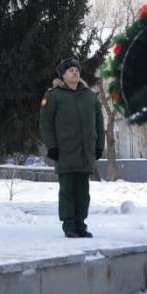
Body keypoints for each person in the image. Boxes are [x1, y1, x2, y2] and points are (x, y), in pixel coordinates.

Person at [40, 57, 103, 238]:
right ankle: (69, 225)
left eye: (76, 69)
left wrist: (99, 147)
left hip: (86, 152)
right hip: (65, 151)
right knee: (67, 190)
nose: (75, 72)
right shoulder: (52, 96)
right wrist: (52, 147)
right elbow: (46, 123)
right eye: (70, 70)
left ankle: (80, 224)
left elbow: (99, 124)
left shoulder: (90, 97)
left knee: (83, 192)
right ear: (62, 75)